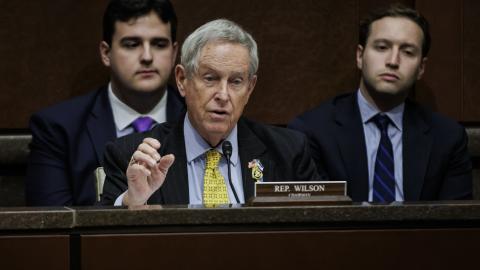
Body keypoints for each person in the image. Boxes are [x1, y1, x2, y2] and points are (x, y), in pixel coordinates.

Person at [101, 19, 322, 206]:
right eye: (210, 78)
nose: (223, 95)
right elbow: (100, 241)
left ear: (249, 89)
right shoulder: (134, 157)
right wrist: (132, 201)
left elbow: (316, 234)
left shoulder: (288, 152)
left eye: (236, 81)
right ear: (182, 80)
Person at [289, 4, 472, 202]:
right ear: (360, 56)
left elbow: (456, 222)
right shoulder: (312, 131)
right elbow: (315, 219)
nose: (393, 61)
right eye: (382, 47)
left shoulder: (447, 137)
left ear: (421, 68)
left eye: (408, 52)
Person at [26, 0, 185, 206]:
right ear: (106, 53)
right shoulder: (59, 129)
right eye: (132, 44)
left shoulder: (198, 119)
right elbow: (52, 227)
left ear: (174, 53)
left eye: (159, 44)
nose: (147, 57)